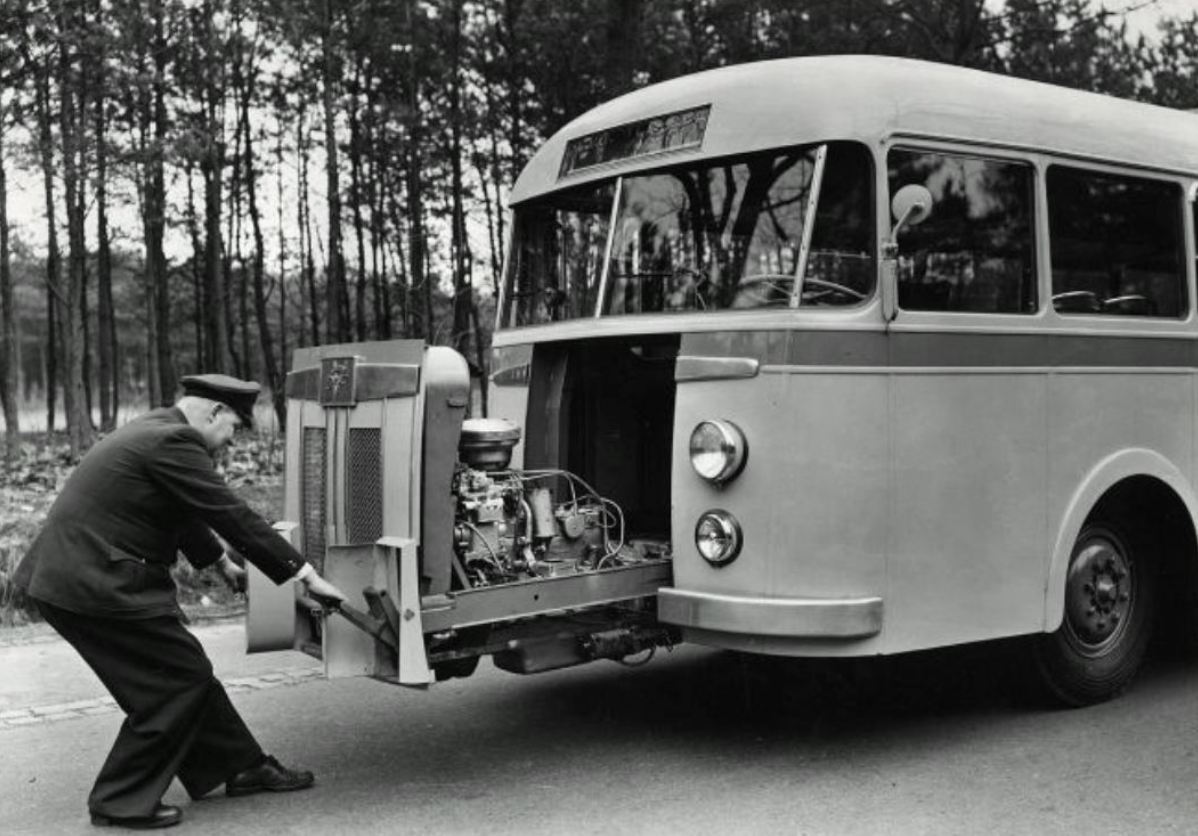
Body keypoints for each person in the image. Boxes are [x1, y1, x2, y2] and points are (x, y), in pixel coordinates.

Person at [13, 373, 348, 830]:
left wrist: (222, 565)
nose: (231, 442)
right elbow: (231, 514)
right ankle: (119, 799)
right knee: (175, 683)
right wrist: (306, 575)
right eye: (234, 428)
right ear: (215, 412)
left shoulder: (156, 428)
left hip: (76, 577)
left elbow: (183, 508)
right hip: (95, 584)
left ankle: (241, 766)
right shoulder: (174, 440)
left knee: (184, 671)